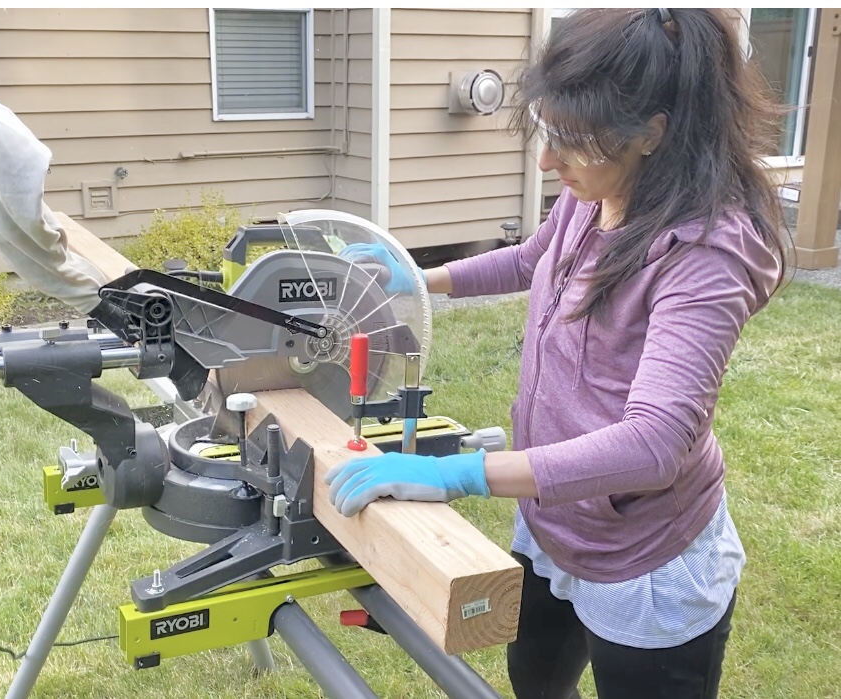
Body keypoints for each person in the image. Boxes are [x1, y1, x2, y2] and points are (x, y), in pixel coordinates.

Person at [328, 8, 791, 699]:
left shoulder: (705, 254)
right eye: (550, 133)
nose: (548, 162)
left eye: (572, 142)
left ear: (652, 134)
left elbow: (654, 444)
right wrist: (417, 278)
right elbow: (534, 258)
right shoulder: (600, 189)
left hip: (643, 556)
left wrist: (459, 474)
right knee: (537, 684)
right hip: (554, 519)